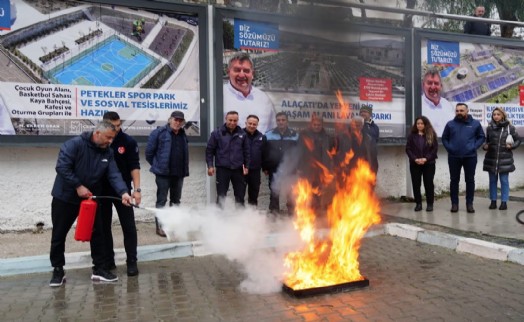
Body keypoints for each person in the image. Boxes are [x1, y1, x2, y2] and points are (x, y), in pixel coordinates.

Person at [49, 121, 133, 287]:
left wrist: (124, 193)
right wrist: (78, 186)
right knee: (59, 234)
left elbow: (114, 174)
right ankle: (58, 269)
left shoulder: (108, 152)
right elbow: (62, 167)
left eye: (113, 138)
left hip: (90, 198)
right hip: (65, 197)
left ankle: (99, 269)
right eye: (108, 137)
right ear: (97, 133)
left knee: (98, 233)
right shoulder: (74, 145)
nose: (110, 141)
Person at [100, 112, 141, 277]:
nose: (117, 129)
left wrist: (137, 190)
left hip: (123, 191)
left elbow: (134, 166)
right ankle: (108, 260)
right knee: (103, 227)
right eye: (113, 126)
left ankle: (132, 261)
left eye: (119, 125)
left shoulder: (128, 142)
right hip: (102, 190)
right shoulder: (100, 141)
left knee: (129, 226)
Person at [145, 111, 189, 237]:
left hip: (178, 173)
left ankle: (172, 225)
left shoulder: (183, 134)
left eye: (180, 121)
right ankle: (160, 227)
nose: (178, 122)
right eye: (176, 120)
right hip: (163, 174)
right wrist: (157, 166)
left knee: (176, 201)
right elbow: (149, 153)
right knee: (162, 201)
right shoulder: (159, 133)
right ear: (170, 120)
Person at [442, 103, 485, 213]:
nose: (459, 113)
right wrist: (450, 148)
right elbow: (444, 138)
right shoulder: (450, 124)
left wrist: (473, 147)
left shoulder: (475, 124)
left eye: (461, 110)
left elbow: (481, 137)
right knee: (454, 181)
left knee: (470, 180)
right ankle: (454, 204)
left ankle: (469, 204)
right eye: (457, 111)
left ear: (467, 111)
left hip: (470, 157)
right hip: (454, 157)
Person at [223, 52, 276, 134]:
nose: (241, 75)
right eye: (237, 70)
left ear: (252, 74)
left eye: (246, 71)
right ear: (228, 72)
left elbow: (272, 131)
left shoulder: (264, 99)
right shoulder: (217, 96)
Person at [206, 111, 250, 207]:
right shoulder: (217, 133)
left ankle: (241, 217)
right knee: (221, 195)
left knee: (240, 196)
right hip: (223, 169)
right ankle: (219, 218)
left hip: (238, 170)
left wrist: (247, 166)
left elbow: (247, 152)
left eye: (235, 120)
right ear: (226, 119)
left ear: (238, 120)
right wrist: (210, 166)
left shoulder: (243, 134)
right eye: (230, 120)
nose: (233, 123)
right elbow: (209, 151)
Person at [482, 107, 521, 210]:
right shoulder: (489, 128)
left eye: (498, 114)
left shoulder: (510, 128)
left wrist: (511, 146)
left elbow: (518, 140)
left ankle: (504, 202)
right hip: (492, 159)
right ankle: (493, 201)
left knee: (504, 181)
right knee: (492, 181)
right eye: (494, 114)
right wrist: (485, 146)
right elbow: (486, 141)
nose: (496, 116)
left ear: (502, 115)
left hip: (505, 160)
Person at [262, 112, 299, 215]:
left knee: (290, 192)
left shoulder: (295, 135)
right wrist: (265, 167)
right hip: (274, 169)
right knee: (274, 192)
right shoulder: (268, 135)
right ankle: (274, 215)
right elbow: (264, 152)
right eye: (278, 120)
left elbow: (299, 152)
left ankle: (292, 214)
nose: (281, 122)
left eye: (283, 120)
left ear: (287, 121)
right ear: (276, 121)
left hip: (291, 169)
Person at [296, 113, 335, 211]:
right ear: (311, 124)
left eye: (319, 125)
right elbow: (299, 152)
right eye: (315, 125)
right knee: (306, 192)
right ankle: (306, 212)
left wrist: (329, 169)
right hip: (307, 169)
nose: (317, 127)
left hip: (321, 170)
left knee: (319, 191)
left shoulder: (327, 137)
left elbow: (331, 153)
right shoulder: (304, 135)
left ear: (322, 125)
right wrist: (299, 168)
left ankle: (316, 212)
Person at [405, 116, 439, 212]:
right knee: (416, 184)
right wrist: (415, 159)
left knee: (428, 183)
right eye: (418, 123)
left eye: (421, 123)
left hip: (429, 164)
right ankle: (418, 203)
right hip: (415, 163)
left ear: (425, 124)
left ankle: (429, 204)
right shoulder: (412, 135)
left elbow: (434, 149)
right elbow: (408, 149)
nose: (419, 125)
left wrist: (426, 158)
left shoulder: (431, 135)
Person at [421, 67, 455, 137]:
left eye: (436, 83)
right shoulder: (418, 106)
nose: (433, 87)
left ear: (441, 86)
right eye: (429, 83)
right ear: (423, 85)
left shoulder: (447, 105)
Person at [243, 115, 264, 206]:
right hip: (242, 170)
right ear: (246, 123)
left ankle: (252, 216)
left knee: (254, 195)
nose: (252, 126)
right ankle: (238, 217)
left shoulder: (261, 137)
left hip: (255, 170)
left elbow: (264, 153)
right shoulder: (239, 135)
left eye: (254, 124)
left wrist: (265, 167)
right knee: (240, 195)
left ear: (257, 125)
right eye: (250, 123)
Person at [358, 106, 379, 173]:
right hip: (359, 159)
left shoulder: (375, 127)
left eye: (365, 112)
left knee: (371, 180)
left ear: (370, 114)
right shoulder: (355, 125)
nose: (362, 113)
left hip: (372, 159)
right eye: (361, 112)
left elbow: (376, 140)